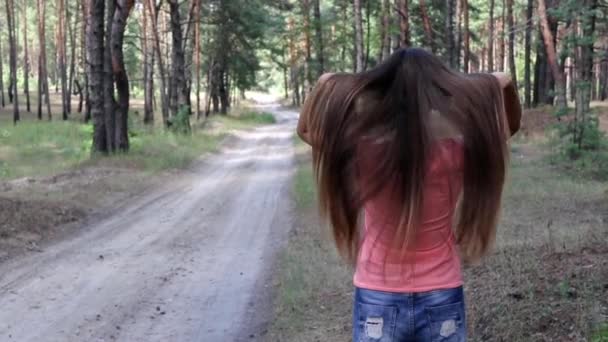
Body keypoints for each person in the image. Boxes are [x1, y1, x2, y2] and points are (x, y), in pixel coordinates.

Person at [297, 48, 522, 341]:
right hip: (441, 290)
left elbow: (305, 129)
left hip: (377, 291)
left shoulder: (365, 149)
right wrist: (496, 82)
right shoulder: (457, 150)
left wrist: (327, 81)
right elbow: (511, 124)